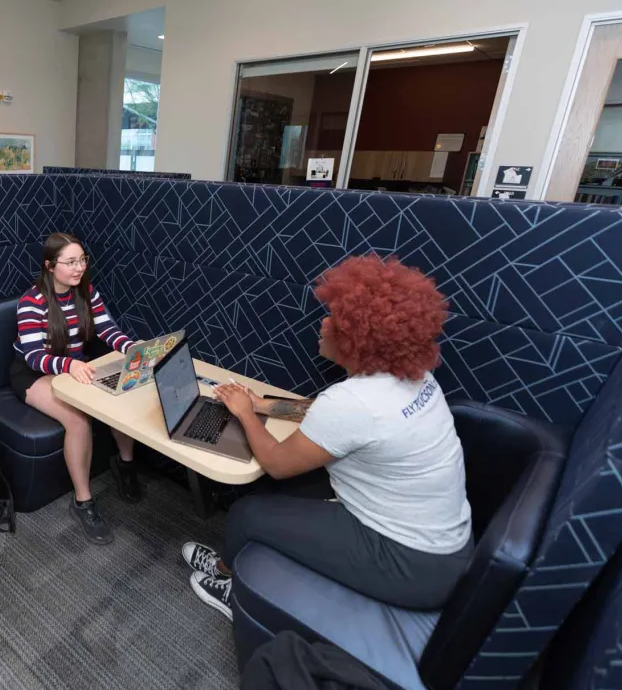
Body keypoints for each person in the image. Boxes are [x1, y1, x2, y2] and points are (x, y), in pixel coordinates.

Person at [181, 254, 473, 619]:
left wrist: (243, 412)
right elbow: (325, 413)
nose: (323, 323)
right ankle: (240, 561)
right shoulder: (414, 378)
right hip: (445, 545)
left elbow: (275, 463)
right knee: (286, 496)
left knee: (247, 514)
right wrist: (261, 405)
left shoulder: (352, 402)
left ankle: (231, 585)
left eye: (336, 320)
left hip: (410, 565)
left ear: (360, 338)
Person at [11, 232, 140, 545]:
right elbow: (33, 355)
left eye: (82, 260)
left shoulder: (87, 292)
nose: (79, 267)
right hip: (33, 374)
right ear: (50, 265)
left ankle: (125, 465)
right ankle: (83, 502)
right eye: (70, 262)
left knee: (120, 397)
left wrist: (131, 348)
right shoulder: (32, 301)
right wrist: (70, 366)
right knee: (78, 419)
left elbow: (108, 328)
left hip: (73, 368)